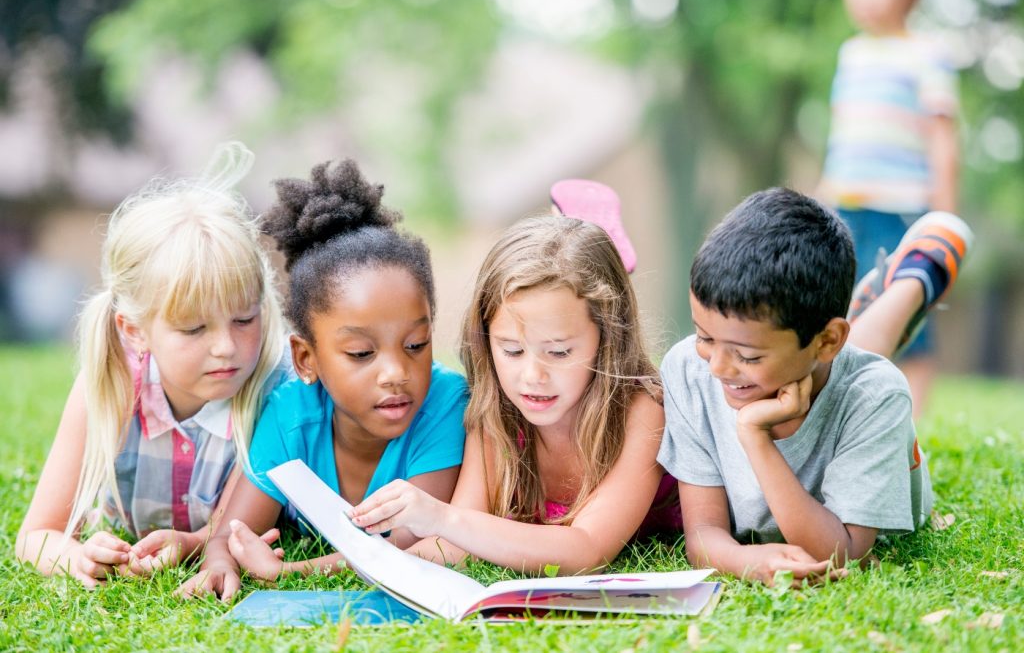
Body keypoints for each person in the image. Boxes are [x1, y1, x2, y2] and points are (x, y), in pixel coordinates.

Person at [178, 159, 468, 601]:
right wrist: (219, 562)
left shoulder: (445, 403)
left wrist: (291, 572)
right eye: (361, 353)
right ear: (306, 358)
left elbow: (404, 544)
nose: (395, 373)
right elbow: (231, 532)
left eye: (416, 345)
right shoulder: (289, 414)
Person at [657, 188, 971, 587]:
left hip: (842, 364)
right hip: (824, 346)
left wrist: (755, 436)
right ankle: (867, 307)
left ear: (826, 340)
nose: (717, 368)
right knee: (848, 352)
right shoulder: (688, 369)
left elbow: (843, 554)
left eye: (747, 355)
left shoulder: (875, 396)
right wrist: (743, 560)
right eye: (704, 337)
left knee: (858, 367)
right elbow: (703, 535)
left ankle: (916, 278)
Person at [16, 143, 290, 587]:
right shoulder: (109, 385)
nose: (226, 347)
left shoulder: (273, 392)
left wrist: (191, 543)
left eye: (244, 319)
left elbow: (232, 533)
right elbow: (36, 536)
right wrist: (78, 558)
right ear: (135, 330)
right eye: (194, 329)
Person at [347, 209, 675, 576]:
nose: (533, 376)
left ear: (608, 339)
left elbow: (587, 549)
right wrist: (343, 565)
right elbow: (458, 543)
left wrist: (441, 517)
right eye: (512, 350)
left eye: (558, 352)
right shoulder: (496, 413)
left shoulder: (642, 411)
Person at [818, 0, 960, 418]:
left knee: (907, 309)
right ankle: (851, 417)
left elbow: (942, 139)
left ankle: (912, 426)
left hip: (900, 207)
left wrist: (944, 217)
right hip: (846, 207)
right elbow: (841, 137)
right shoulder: (852, 55)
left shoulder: (928, 55)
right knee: (846, 313)